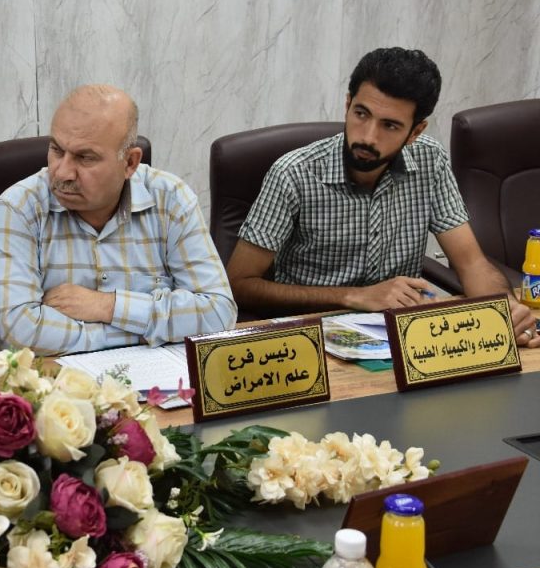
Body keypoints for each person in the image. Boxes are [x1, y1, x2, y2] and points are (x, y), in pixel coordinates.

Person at [227, 47, 539, 348]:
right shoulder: (293, 173)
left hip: (401, 339)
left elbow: (471, 263)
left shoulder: (430, 161)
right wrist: (354, 296)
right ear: (348, 104)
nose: (368, 136)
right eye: (361, 114)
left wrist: (507, 310)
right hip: (310, 337)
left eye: (390, 125)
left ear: (415, 132)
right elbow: (240, 284)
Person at [0, 84, 237, 355]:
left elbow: (218, 313)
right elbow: (16, 334)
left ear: (129, 163)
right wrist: (141, 330)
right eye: (57, 150)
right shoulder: (20, 206)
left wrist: (107, 306)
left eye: (85, 158)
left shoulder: (171, 199)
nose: (62, 172)